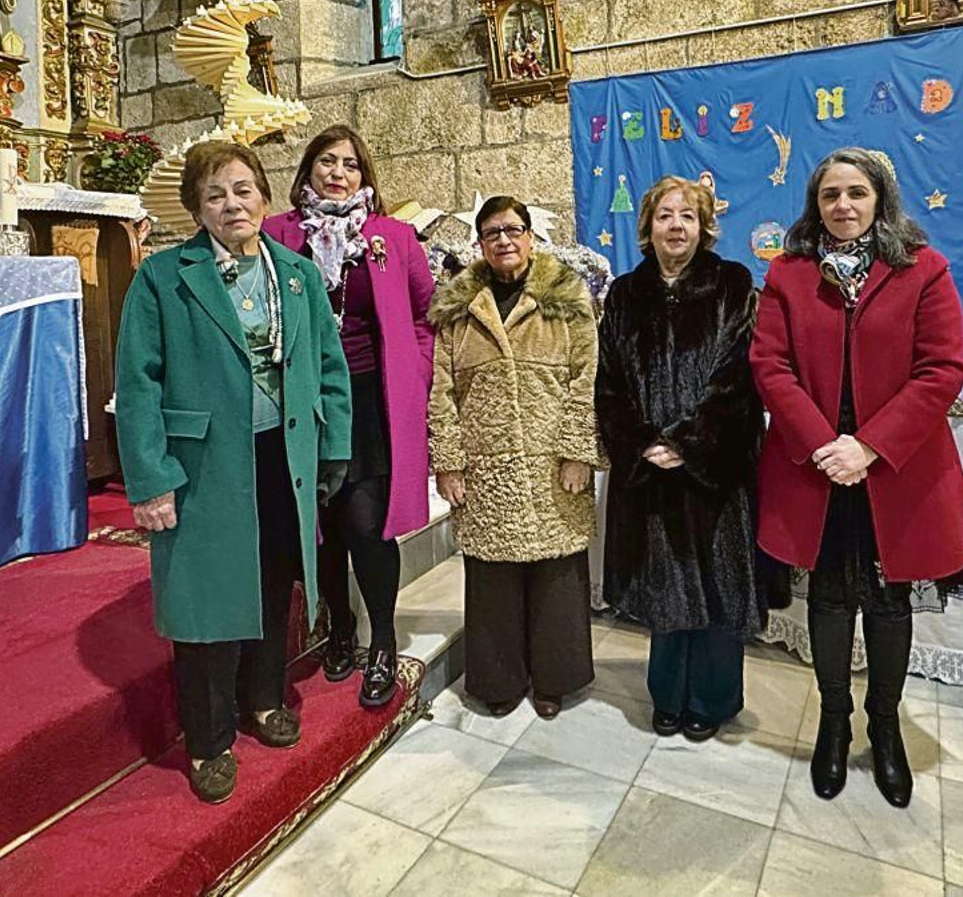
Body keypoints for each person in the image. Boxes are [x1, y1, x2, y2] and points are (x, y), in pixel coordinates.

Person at [115, 141, 352, 804]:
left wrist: (332, 450)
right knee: (206, 605)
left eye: (243, 189)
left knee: (275, 586)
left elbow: (329, 371)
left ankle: (265, 698)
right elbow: (137, 385)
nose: (231, 204)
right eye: (215, 194)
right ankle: (209, 740)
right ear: (197, 207)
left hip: (283, 455)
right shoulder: (163, 277)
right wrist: (151, 479)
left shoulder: (298, 276)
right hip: (202, 465)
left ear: (265, 197)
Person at [750, 147, 963, 809]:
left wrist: (870, 446)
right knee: (827, 598)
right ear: (814, 205)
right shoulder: (788, 275)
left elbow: (943, 368)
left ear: (881, 199)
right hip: (817, 468)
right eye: (830, 196)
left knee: (886, 602)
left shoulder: (924, 270)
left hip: (895, 471)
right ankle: (832, 721)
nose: (844, 206)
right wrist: (825, 443)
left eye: (857, 193)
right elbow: (770, 364)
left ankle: (884, 728)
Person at [263, 125, 434, 710]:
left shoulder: (394, 237)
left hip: (369, 399)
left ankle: (382, 640)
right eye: (327, 161)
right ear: (307, 169)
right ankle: (338, 626)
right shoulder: (277, 236)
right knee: (322, 522)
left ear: (366, 178)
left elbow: (424, 314)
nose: (338, 172)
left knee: (365, 524)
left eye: (352, 165)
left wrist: (417, 372)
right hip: (303, 401)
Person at [595, 177, 766, 741]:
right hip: (650, 468)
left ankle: (713, 698)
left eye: (687, 216)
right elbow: (611, 382)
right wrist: (645, 441)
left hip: (714, 468)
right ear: (647, 227)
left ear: (704, 226)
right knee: (664, 586)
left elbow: (739, 376)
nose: (675, 225)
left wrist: (689, 443)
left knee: (718, 586)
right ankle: (668, 695)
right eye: (664, 215)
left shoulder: (733, 284)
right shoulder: (624, 294)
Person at [428, 196, 601, 719]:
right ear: (479, 244)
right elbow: (441, 390)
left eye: (513, 229)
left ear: (531, 236)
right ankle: (499, 679)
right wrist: (448, 460)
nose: (504, 240)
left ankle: (555, 677)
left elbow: (587, 377)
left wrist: (577, 451)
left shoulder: (567, 298)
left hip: (552, 462)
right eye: (492, 233)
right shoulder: (459, 309)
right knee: (493, 578)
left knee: (555, 572)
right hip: (486, 464)